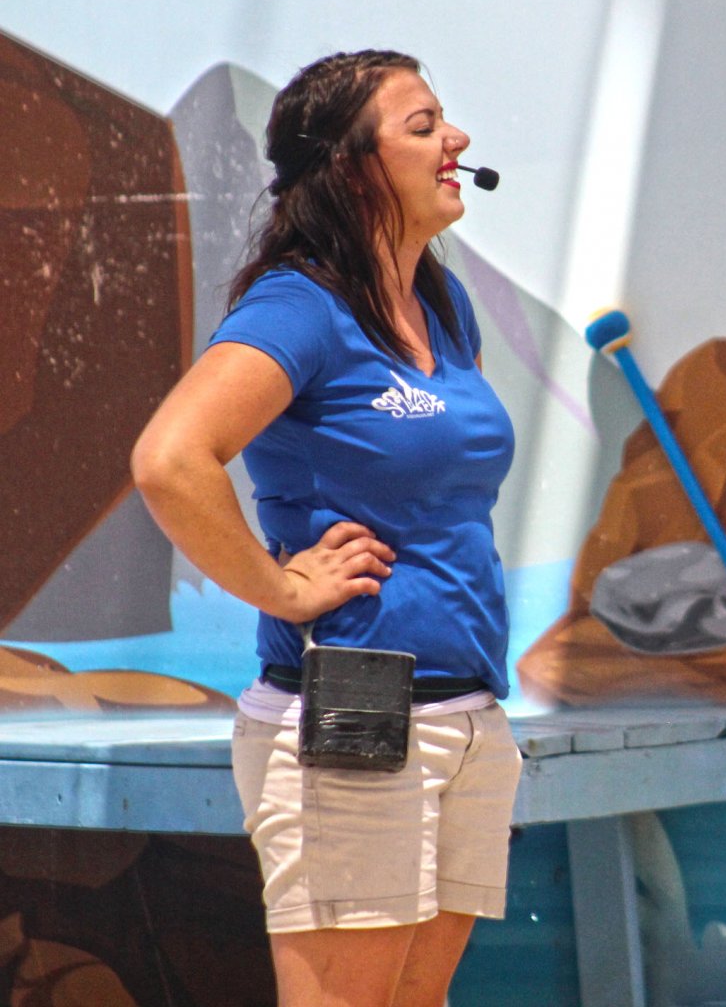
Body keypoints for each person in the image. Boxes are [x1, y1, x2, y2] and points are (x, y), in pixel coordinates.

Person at [131, 49, 520, 1007]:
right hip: (353, 719)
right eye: (424, 126)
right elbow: (170, 459)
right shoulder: (300, 306)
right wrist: (283, 588)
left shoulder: (440, 299)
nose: (455, 141)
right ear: (352, 168)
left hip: (466, 717)